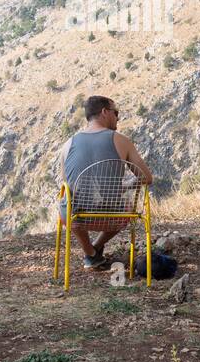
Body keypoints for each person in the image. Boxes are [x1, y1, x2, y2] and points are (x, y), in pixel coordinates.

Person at [58, 95, 153, 271]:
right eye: (115, 112)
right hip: (113, 218)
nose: (118, 117)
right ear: (104, 112)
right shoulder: (121, 140)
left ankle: (91, 252)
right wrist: (126, 185)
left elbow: (68, 182)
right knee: (126, 206)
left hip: (74, 218)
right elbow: (146, 177)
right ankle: (94, 249)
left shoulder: (67, 144)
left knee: (67, 202)